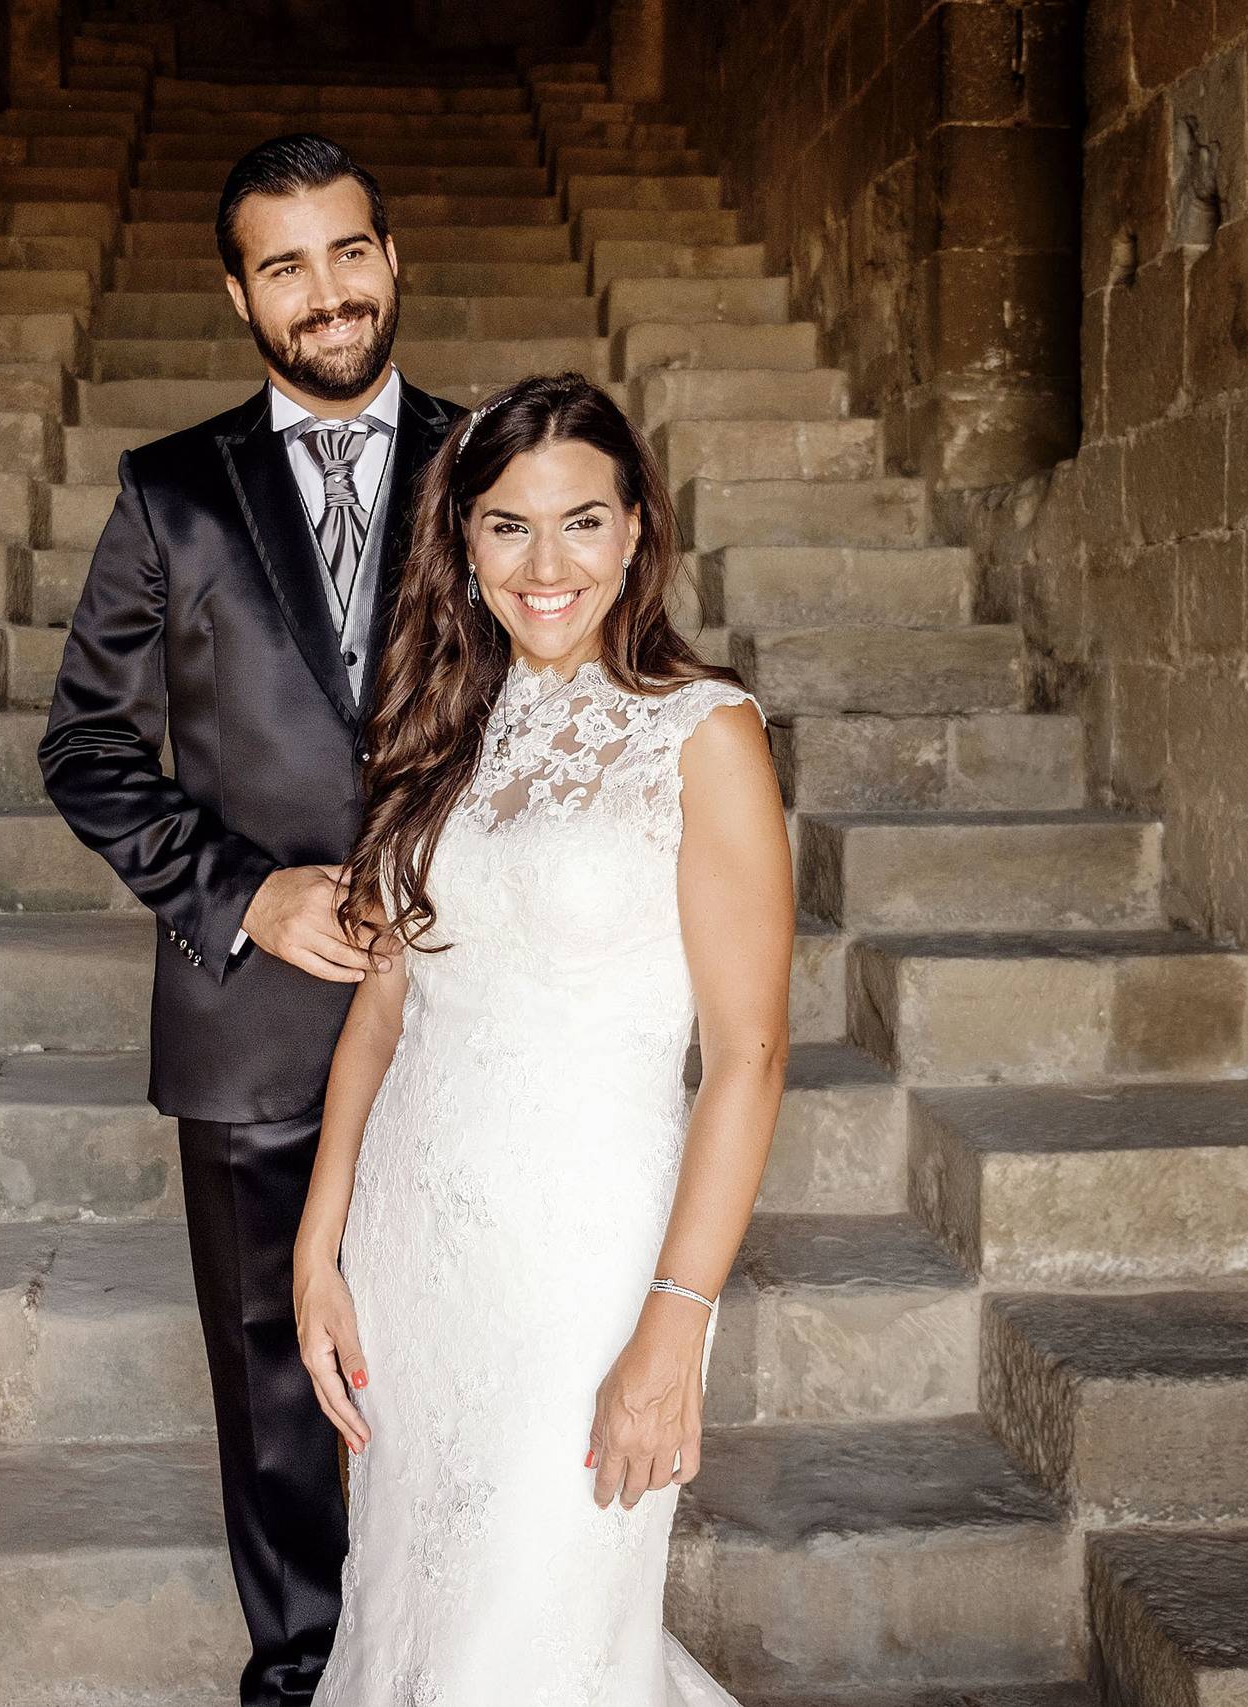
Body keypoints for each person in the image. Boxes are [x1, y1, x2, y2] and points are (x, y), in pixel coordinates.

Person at [38, 134, 463, 1707]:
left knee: (462, 1354)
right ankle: (297, 1680)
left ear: (391, 258)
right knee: (277, 1384)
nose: (327, 292)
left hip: (470, 1006)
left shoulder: (494, 465)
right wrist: (245, 893)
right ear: (238, 291)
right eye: (284, 265)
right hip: (252, 1022)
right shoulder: (172, 494)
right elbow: (83, 744)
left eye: (347, 252)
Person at [293, 372, 794, 1703]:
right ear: (463, 542)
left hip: (585, 1274)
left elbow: (750, 1053)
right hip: (416, 1260)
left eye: (582, 521)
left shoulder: (706, 734)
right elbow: (387, 1005)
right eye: (508, 525)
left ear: (637, 530)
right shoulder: (441, 732)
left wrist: (672, 1329)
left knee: (536, 1643)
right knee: (419, 1628)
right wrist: (320, 1244)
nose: (546, 562)